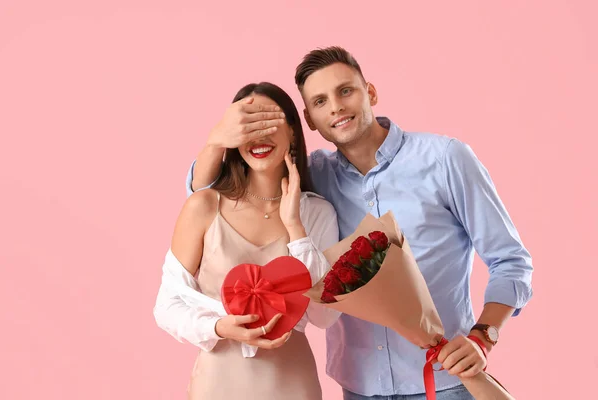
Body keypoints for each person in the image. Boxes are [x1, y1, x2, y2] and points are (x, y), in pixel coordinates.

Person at [187, 47, 534, 400]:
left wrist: (483, 337)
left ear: (370, 92)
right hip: (359, 388)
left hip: (445, 380)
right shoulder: (311, 177)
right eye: (320, 102)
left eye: (345, 91)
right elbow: (205, 187)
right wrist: (218, 138)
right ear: (308, 120)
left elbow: (511, 262)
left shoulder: (445, 159)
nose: (335, 107)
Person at [153, 82, 340, 400]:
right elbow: (166, 306)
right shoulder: (204, 206)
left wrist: (295, 226)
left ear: (292, 132)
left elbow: (325, 317)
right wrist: (219, 327)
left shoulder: (317, 212)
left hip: (293, 387)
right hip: (217, 385)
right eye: (248, 124)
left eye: (269, 122)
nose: (259, 135)